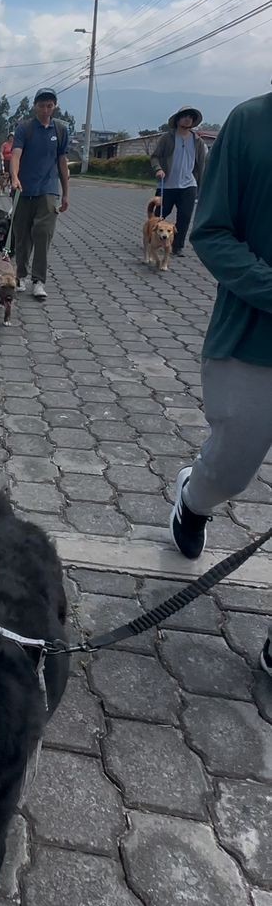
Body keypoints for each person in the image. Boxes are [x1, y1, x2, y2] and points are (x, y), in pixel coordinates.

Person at [169, 89, 272, 676]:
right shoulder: (251, 123)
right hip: (252, 339)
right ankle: (194, 497)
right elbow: (211, 232)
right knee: (231, 469)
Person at [9, 89, 70, 299]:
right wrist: (15, 177)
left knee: (43, 234)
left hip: (48, 190)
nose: (46, 109)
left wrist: (65, 193)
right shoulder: (25, 128)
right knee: (22, 236)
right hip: (23, 190)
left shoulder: (60, 130)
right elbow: (15, 155)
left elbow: (62, 162)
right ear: (35, 106)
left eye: (50, 105)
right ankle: (21, 275)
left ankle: (39, 280)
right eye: (42, 105)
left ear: (55, 106)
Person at [150, 106, 210, 256]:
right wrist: (158, 169)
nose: (187, 119)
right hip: (168, 184)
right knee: (160, 215)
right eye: (184, 116)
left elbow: (202, 164)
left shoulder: (198, 141)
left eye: (190, 116)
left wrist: (202, 186)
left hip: (189, 185)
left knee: (184, 217)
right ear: (177, 119)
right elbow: (155, 156)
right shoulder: (167, 138)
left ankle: (178, 246)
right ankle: (153, 239)